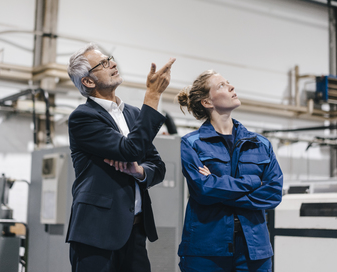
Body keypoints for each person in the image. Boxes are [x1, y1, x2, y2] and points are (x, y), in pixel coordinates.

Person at [66, 43, 176, 272]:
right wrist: (153, 95)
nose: (113, 64)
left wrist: (140, 171)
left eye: (111, 59)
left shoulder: (134, 114)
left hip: (134, 231)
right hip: (96, 233)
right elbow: (131, 150)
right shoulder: (83, 117)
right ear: (88, 81)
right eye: (103, 63)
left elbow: (157, 165)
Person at [176, 70, 283, 272]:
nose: (232, 87)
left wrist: (218, 188)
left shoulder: (260, 144)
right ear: (207, 102)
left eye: (229, 83)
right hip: (206, 250)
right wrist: (253, 183)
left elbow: (273, 193)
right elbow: (202, 190)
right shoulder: (192, 144)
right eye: (222, 86)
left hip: (255, 250)